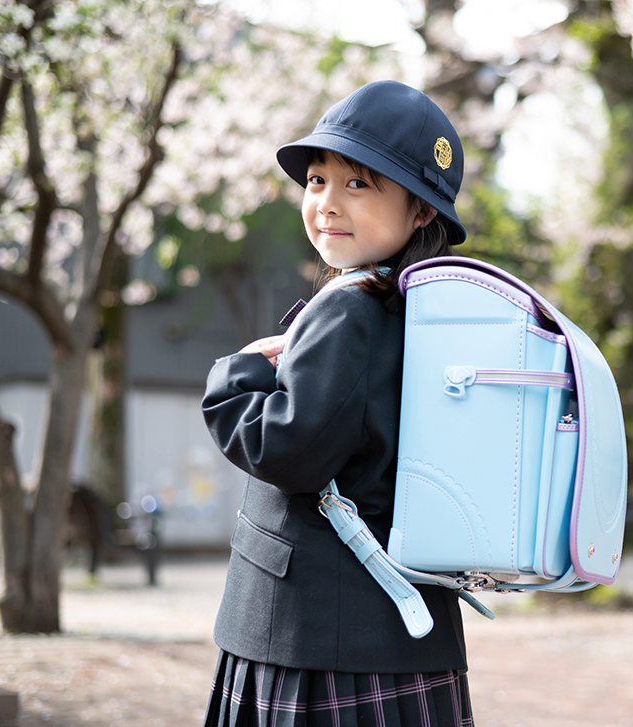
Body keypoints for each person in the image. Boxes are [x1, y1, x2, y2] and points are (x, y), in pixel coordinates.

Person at [201, 80, 473, 727]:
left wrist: (233, 377)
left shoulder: (349, 306)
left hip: (315, 633)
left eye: (358, 184)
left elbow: (287, 449)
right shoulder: (423, 312)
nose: (326, 202)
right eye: (317, 180)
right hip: (397, 622)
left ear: (420, 212)